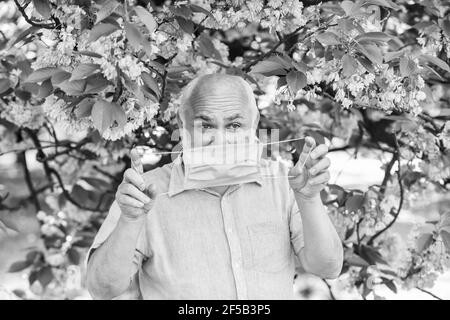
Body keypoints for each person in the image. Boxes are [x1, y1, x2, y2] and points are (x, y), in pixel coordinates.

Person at [85, 74, 343, 299]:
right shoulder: (144, 193)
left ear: (253, 126)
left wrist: (309, 199)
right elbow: (102, 289)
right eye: (205, 125)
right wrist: (130, 221)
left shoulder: (284, 182)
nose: (220, 140)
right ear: (182, 125)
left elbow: (328, 267)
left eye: (234, 125)